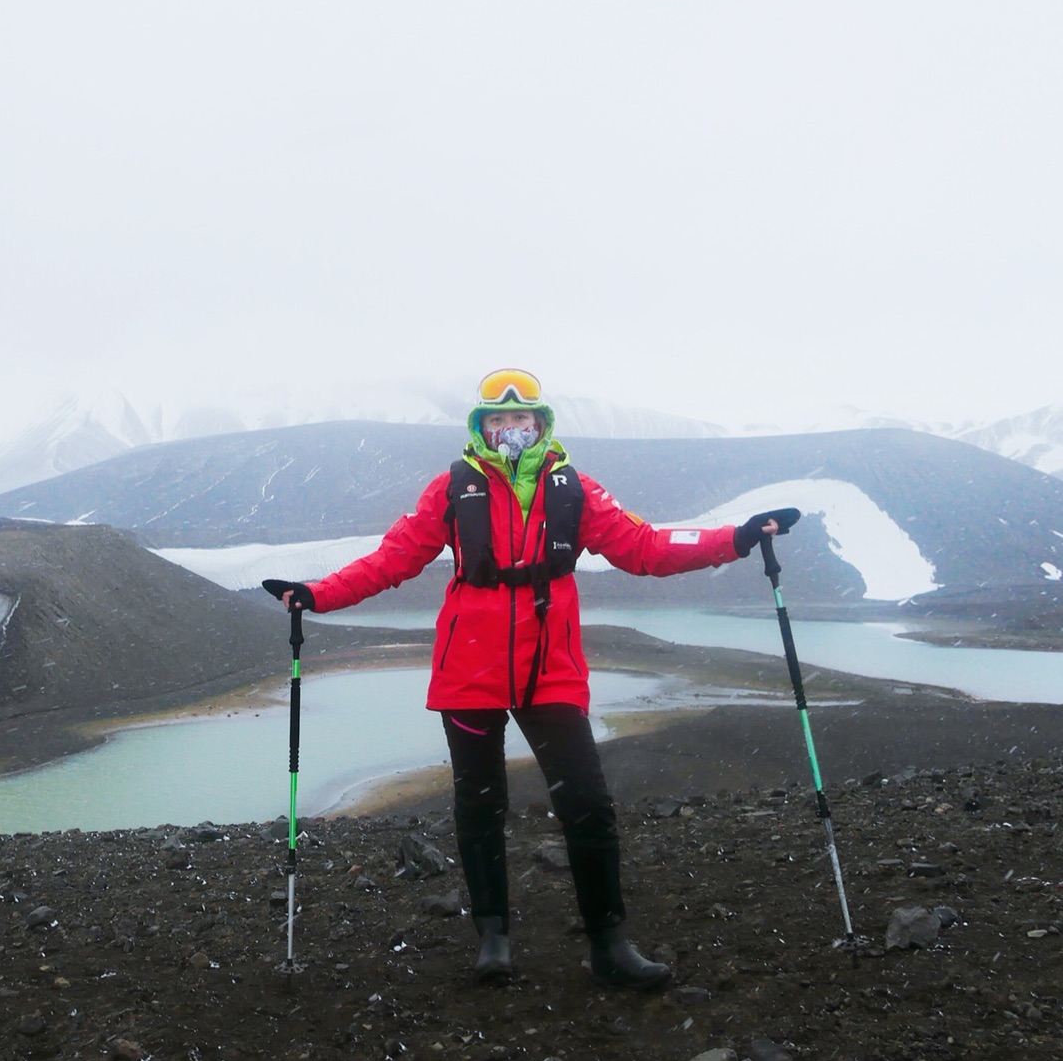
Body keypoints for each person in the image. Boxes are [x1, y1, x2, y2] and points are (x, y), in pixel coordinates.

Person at [264, 368, 798, 988]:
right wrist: (316, 595)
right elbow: (393, 558)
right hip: (471, 667)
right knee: (480, 804)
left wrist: (734, 539)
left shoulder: (574, 489)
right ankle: (493, 938)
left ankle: (610, 944)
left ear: (541, 425)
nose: (510, 429)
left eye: (521, 419)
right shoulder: (453, 488)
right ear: (481, 428)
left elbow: (645, 547)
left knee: (588, 805)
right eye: (497, 420)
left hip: (551, 670)